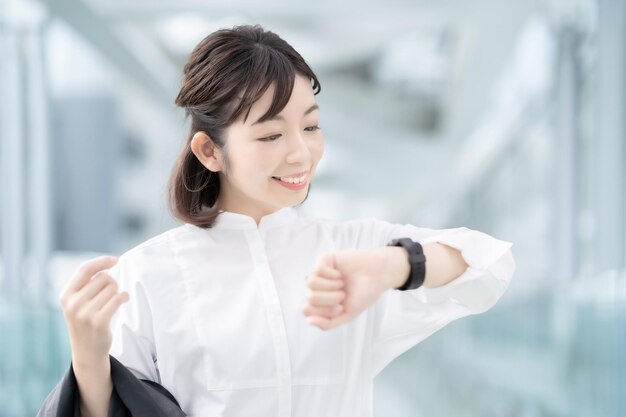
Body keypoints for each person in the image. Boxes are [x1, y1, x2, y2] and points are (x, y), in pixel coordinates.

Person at [40, 24, 515, 417]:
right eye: (270, 135)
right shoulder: (145, 274)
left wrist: (393, 267)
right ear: (209, 151)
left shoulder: (353, 250)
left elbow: (489, 264)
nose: (300, 152)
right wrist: (88, 355)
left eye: (310, 125)